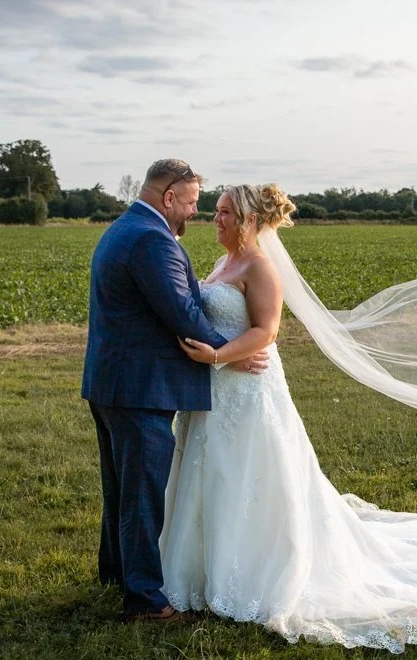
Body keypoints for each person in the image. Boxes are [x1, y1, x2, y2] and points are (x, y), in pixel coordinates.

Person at [164, 184, 417, 652]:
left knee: (249, 472)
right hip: (219, 385)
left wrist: (220, 356)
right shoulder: (223, 262)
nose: (214, 219)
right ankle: (201, 565)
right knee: (212, 469)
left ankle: (253, 569)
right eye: (216, 211)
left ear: (250, 220)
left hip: (248, 385)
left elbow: (267, 330)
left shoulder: (260, 267)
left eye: (224, 212)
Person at [81, 160, 267, 624]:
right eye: (190, 203)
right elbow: (182, 312)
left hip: (114, 382)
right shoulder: (151, 239)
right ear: (168, 198)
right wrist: (232, 353)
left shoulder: (125, 228)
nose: (195, 213)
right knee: (141, 493)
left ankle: (118, 572)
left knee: (122, 488)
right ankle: (144, 601)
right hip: (142, 387)